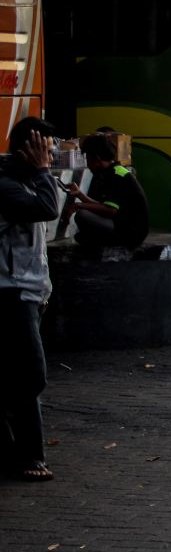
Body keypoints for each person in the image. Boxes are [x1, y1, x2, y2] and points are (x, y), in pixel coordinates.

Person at [0, 118, 59, 481]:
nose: (50, 158)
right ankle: (25, 455)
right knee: (30, 376)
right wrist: (42, 171)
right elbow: (48, 208)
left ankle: (23, 454)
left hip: (28, 290)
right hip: (10, 292)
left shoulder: (25, 180)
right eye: (46, 151)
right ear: (29, 148)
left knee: (19, 376)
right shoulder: (6, 184)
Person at [64, 134, 150, 249]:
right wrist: (80, 194)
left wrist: (78, 206)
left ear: (97, 158)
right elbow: (105, 206)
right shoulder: (112, 172)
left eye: (88, 159)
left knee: (82, 216)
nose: (88, 165)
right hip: (123, 225)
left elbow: (111, 210)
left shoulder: (116, 175)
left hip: (131, 233)